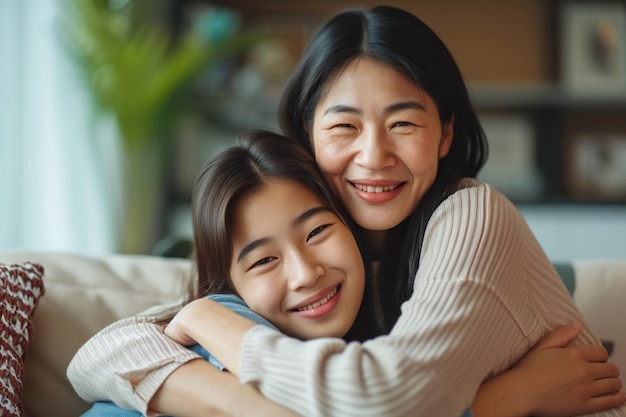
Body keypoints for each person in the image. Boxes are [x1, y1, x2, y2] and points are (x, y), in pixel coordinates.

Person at [68, 5, 626, 417]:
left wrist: (207, 323)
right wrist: (504, 402)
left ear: (446, 132)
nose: (374, 157)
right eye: (344, 127)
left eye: (403, 123)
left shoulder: (471, 216)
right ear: (307, 134)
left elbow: (383, 398)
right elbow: (97, 357)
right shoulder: (323, 237)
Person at [77, 129, 366, 416]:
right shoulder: (226, 319)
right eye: (264, 260)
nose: (305, 274)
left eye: (316, 231)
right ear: (229, 284)